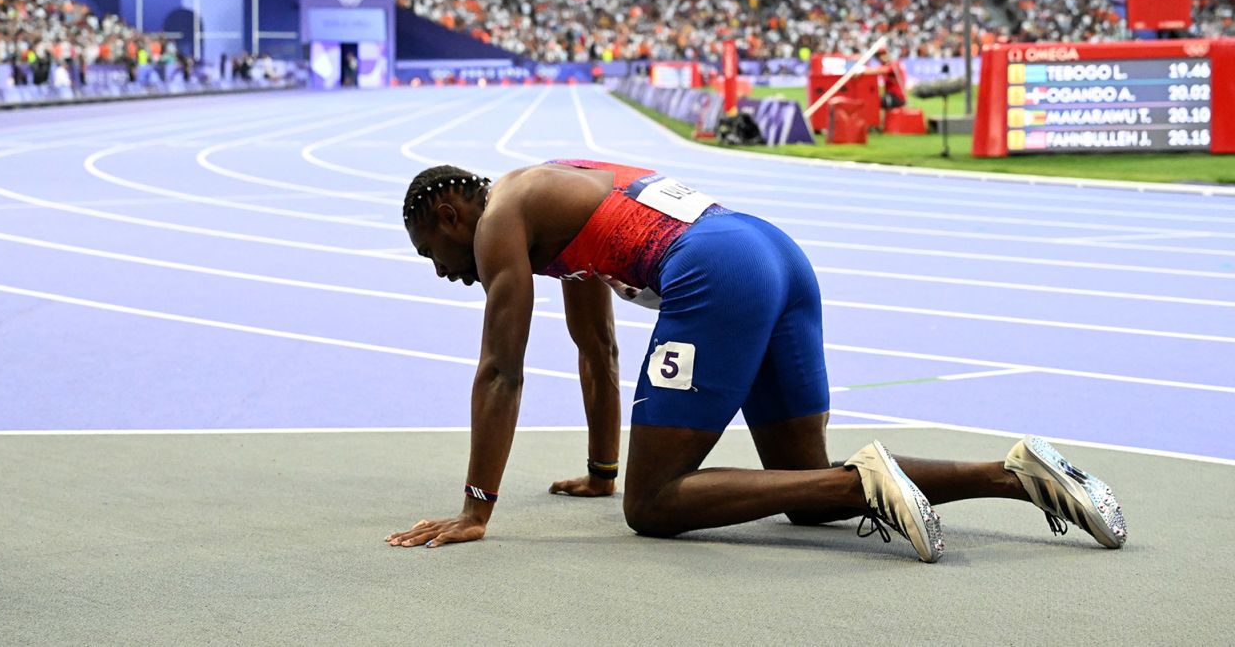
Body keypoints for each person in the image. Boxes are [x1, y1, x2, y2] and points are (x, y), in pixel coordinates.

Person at [387, 160, 1127, 561]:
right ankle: (1016, 473)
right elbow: (598, 348)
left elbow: (501, 371)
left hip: (717, 269)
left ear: (451, 216)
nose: (442, 269)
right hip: (773, 253)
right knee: (806, 488)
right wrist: (602, 473)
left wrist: (474, 509)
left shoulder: (499, 221)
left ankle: (868, 483)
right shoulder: (550, 204)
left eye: (432, 252)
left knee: (653, 506)